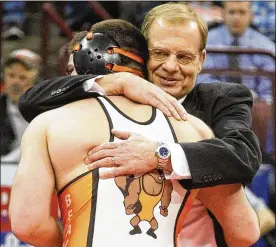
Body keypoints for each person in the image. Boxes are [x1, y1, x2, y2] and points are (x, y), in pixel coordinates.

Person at [18, 3, 261, 244]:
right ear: (143, 55)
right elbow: (29, 101)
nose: (170, 67)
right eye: (161, 54)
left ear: (201, 59)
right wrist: (113, 83)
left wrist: (161, 155)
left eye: (184, 57)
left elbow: (243, 154)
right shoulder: (194, 131)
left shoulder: (219, 103)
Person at [197, 1, 275, 104]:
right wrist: (230, 94)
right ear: (223, 14)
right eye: (231, 12)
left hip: (253, 107)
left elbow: (269, 91)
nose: (236, 17)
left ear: (251, 16)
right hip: (214, 103)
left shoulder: (266, 48)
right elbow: (202, 80)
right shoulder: (207, 43)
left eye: (242, 12)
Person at [1, 49, 41, 162]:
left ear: (34, 80)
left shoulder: (47, 110)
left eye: (22, 77)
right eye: (11, 75)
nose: (15, 82)